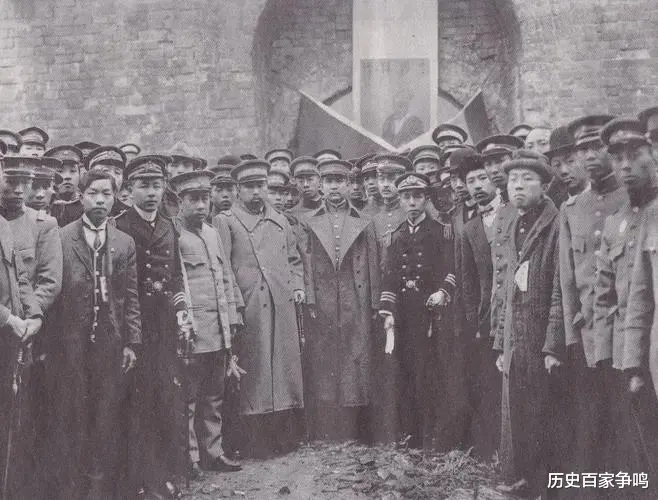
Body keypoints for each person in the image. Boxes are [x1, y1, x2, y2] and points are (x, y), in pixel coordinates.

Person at [47, 170, 140, 499]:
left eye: (106, 194)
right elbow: (52, 293)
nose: (100, 200)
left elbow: (130, 297)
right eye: (93, 193)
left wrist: (131, 343)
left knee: (105, 413)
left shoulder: (124, 243)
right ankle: (71, 486)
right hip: (70, 343)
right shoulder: (61, 237)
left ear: (116, 198)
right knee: (72, 411)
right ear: (80, 196)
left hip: (109, 344)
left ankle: (100, 486)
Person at [213, 159, 305, 457]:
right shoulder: (226, 221)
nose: (256, 192)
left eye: (261, 185)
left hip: (282, 303)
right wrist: (234, 305)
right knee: (255, 371)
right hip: (250, 304)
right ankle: (254, 440)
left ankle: (284, 434)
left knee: (283, 370)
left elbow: (294, 259)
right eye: (249, 186)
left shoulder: (279, 219)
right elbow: (224, 266)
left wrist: (297, 286)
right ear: (238, 189)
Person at [113, 156, 191, 498]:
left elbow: (176, 275)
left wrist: (182, 310)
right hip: (131, 326)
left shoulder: (170, 226)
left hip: (163, 327)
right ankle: (136, 478)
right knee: (134, 402)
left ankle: (164, 475)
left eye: (156, 186)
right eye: (143, 186)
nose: (151, 193)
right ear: (129, 190)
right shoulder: (119, 226)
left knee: (165, 398)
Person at [559, 114, 626, 491]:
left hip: (628, 335)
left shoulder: (633, 199)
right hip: (588, 338)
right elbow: (568, 281)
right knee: (591, 426)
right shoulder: (572, 209)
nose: (588, 156)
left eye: (595, 147)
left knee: (628, 426)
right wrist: (571, 336)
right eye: (581, 149)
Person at [493, 152, 563, 498]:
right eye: (513, 180)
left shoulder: (555, 224)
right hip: (514, 335)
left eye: (527, 179)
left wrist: (552, 346)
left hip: (540, 335)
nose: (518, 186)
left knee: (543, 411)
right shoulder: (511, 224)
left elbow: (559, 292)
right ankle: (519, 478)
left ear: (544, 185)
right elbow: (505, 287)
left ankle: (543, 485)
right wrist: (500, 343)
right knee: (516, 409)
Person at [595, 118, 658, 493]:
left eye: (634, 156)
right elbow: (608, 296)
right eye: (618, 158)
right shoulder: (617, 223)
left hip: (649, 350)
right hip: (630, 353)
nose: (626, 166)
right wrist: (611, 357)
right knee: (639, 450)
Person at [301, 158, 380, 441]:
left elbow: (373, 263)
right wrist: (311, 299)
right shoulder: (309, 222)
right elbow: (306, 263)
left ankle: (355, 421)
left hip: (355, 296)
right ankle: (329, 423)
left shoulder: (364, 221)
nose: (334, 187)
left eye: (339, 181)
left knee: (356, 356)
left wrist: (373, 302)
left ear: (348, 185)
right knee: (326, 357)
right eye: (329, 181)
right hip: (324, 299)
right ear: (321, 186)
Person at [171, 169, 243, 473]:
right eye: (193, 199)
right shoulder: (174, 234)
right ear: (180, 202)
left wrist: (232, 316)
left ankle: (214, 452)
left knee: (215, 395)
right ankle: (190, 458)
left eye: (204, 198)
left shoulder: (212, 233)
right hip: (193, 330)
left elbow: (225, 276)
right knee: (188, 396)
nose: (201, 206)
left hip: (218, 328)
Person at [379, 172, 456, 449]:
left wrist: (442, 292)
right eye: (406, 197)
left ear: (426, 199)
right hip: (403, 314)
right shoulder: (394, 236)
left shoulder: (441, 232)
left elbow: (451, 269)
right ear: (400, 200)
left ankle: (430, 433)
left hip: (430, 312)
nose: (412, 202)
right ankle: (409, 433)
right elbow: (389, 277)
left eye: (417, 197)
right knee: (405, 371)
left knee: (429, 371)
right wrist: (388, 312)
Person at [0, 161, 44, 500]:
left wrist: (34, 316)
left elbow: (20, 277)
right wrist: (7, 318)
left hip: (10, 341)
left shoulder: (3, 225)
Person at [458, 152, 502, 460]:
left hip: (518, 313)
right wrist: (475, 322)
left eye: (482, 178)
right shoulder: (469, 229)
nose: (476, 186)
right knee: (489, 384)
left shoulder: (514, 214)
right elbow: (468, 282)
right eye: (470, 181)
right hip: (487, 320)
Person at [45, 145, 85, 227]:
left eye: (73, 171)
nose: (67, 177)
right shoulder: (42, 205)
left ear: (79, 174)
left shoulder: (86, 205)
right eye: (60, 171)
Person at [476, 134, 524, 203]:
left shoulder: (532, 200)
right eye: (488, 164)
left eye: (500, 161)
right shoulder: (499, 206)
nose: (494, 170)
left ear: (516, 161)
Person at [86, 146, 130, 217]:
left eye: (117, 172)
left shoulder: (128, 214)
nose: (113, 177)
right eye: (105, 171)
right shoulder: (75, 210)